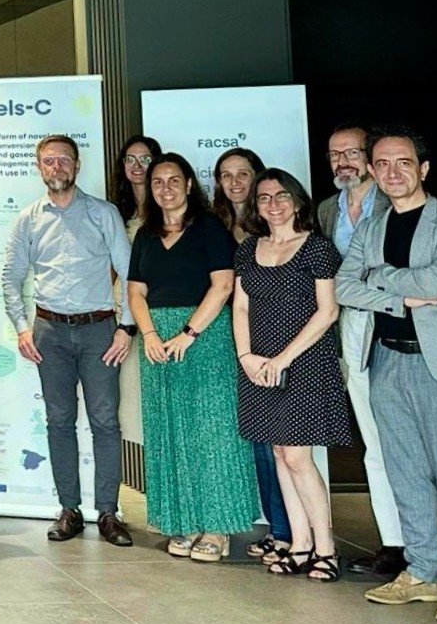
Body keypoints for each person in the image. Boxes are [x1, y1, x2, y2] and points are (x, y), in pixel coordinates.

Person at [338, 126, 437, 624]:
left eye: (403, 162)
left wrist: (377, 276)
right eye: (381, 164)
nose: (392, 172)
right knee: (404, 472)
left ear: (422, 168)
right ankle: (422, 572)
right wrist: (399, 297)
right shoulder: (371, 228)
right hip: (386, 360)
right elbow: (343, 287)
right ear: (372, 171)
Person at [3, 134, 136, 545]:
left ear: (77, 166)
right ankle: (69, 510)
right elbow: (11, 277)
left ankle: (108, 512)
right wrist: (22, 327)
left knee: (105, 422)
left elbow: (130, 272)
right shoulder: (28, 219)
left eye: (64, 159)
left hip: (100, 331)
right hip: (50, 332)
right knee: (59, 421)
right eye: (49, 160)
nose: (56, 166)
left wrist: (126, 326)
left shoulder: (103, 213)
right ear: (38, 167)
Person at [126, 153, 257, 563]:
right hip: (156, 343)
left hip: (204, 336)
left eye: (173, 180)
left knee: (212, 432)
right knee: (169, 432)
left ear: (188, 184)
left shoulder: (209, 227)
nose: (165, 188)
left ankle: (217, 527)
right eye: (157, 182)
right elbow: (135, 291)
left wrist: (189, 332)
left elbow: (223, 285)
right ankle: (182, 521)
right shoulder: (146, 234)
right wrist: (149, 334)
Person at [234, 167, 351, 582]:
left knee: (298, 457)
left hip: (305, 364)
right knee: (281, 454)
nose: (274, 204)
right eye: (264, 197)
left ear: (298, 201)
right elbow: (241, 306)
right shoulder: (249, 249)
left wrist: (283, 358)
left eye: (282, 195)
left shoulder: (316, 248)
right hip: (259, 366)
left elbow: (328, 311)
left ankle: (326, 549)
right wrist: (246, 356)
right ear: (255, 206)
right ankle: (299, 544)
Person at [318, 123, 405, 579]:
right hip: (349, 327)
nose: (343, 162)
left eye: (351, 153)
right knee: (373, 439)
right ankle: (394, 544)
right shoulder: (326, 210)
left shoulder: (395, 201)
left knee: (405, 439)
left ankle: (424, 545)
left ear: (369, 158)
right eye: (335, 154)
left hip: (397, 323)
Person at [210, 146, 294, 564]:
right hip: (227, 339)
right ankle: (276, 527)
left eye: (243, 173)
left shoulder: (275, 226)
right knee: (256, 437)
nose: (235, 182)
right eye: (226, 175)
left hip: (272, 340)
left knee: (279, 441)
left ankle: (287, 531)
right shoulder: (211, 224)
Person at [113, 135, 163, 237]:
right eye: (130, 159)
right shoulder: (115, 210)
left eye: (145, 159)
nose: (136, 165)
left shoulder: (167, 205)